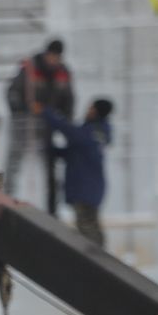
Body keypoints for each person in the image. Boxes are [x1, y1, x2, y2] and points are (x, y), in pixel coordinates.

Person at [4, 39, 73, 213]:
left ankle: (52, 211)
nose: (54, 60)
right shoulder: (29, 68)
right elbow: (12, 92)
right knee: (14, 162)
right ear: (46, 53)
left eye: (57, 57)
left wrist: (65, 123)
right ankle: (7, 203)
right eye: (51, 56)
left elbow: (69, 101)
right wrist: (24, 111)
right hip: (24, 125)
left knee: (49, 168)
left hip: (46, 127)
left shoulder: (63, 73)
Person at [42, 97, 114, 249]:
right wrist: (51, 151)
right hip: (89, 187)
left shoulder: (93, 132)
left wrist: (45, 112)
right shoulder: (94, 134)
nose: (88, 110)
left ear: (96, 111)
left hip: (86, 188)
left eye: (91, 108)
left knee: (87, 225)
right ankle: (98, 257)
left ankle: (97, 259)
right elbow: (72, 154)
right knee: (88, 223)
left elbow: (69, 131)